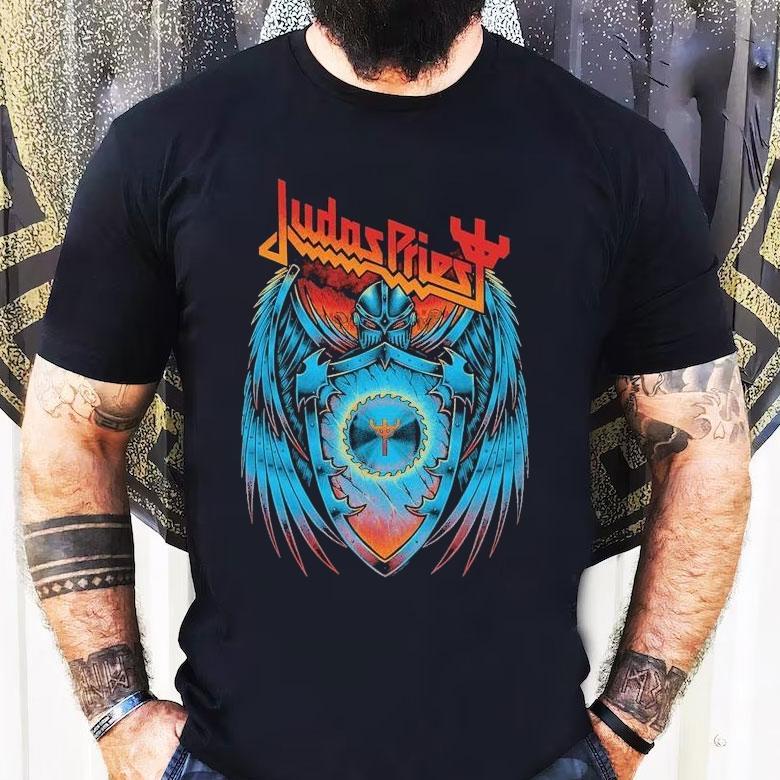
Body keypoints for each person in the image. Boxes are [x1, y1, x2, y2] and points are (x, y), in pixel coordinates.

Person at [20, 2, 751, 779]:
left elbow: (703, 449)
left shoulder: (614, 161)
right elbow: (74, 431)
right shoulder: (167, 148)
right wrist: (117, 715)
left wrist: (627, 728)